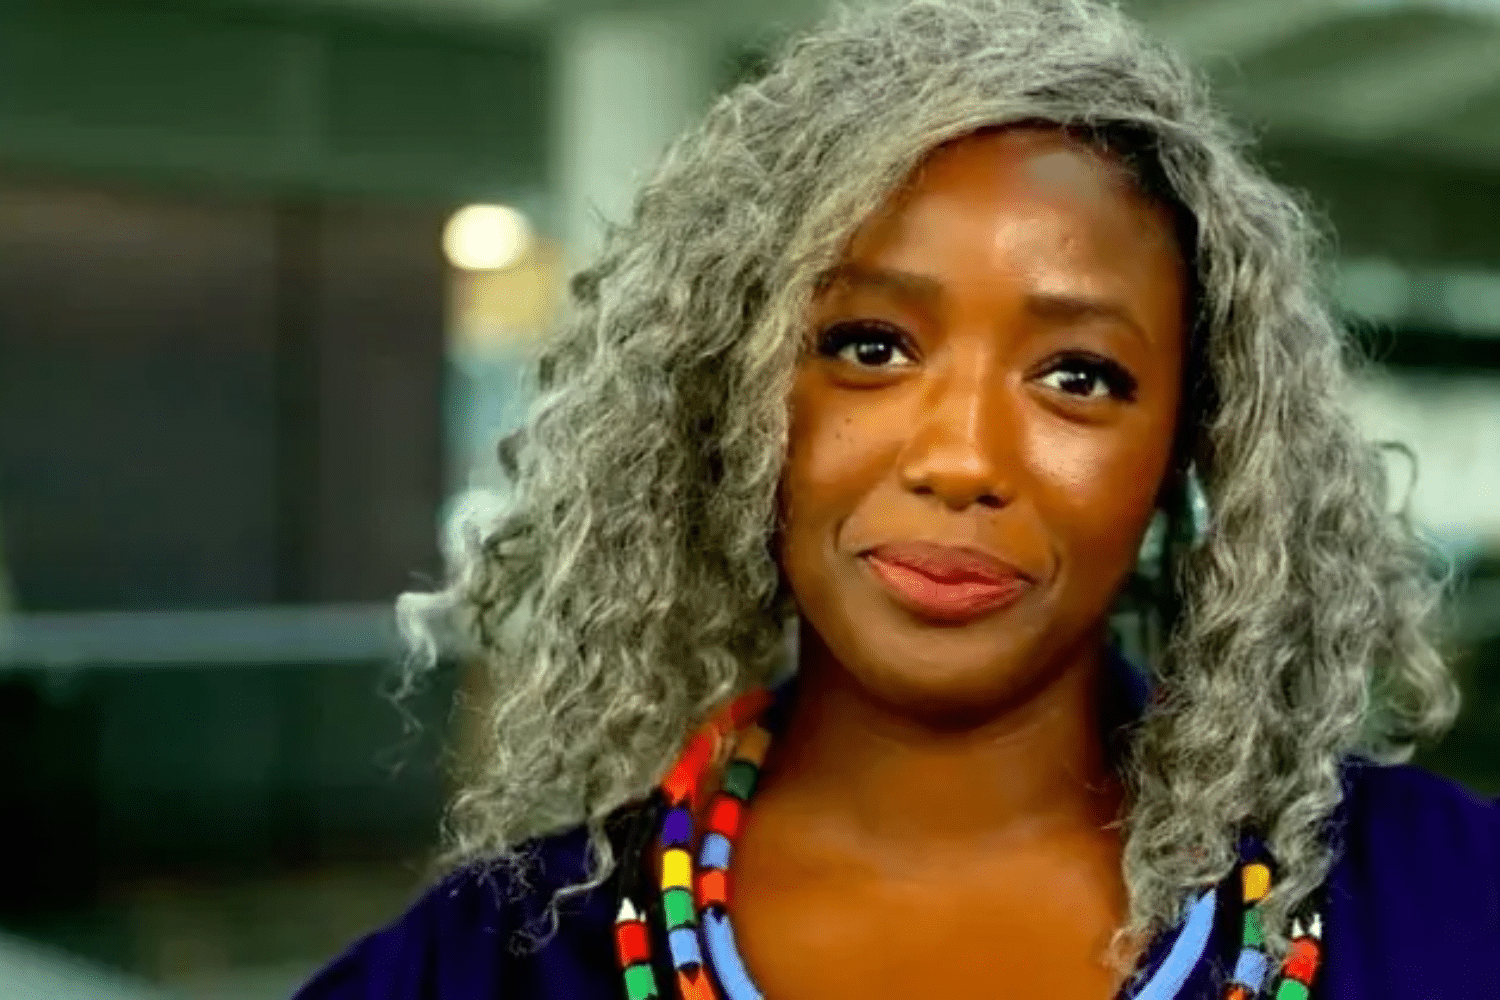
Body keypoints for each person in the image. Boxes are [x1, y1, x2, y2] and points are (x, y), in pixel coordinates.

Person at [297, 1, 1499, 997]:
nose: (962, 457)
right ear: (734, 393)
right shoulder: (497, 960)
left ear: (1194, 449)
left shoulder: (1448, 900)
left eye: (1079, 376)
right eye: (870, 347)